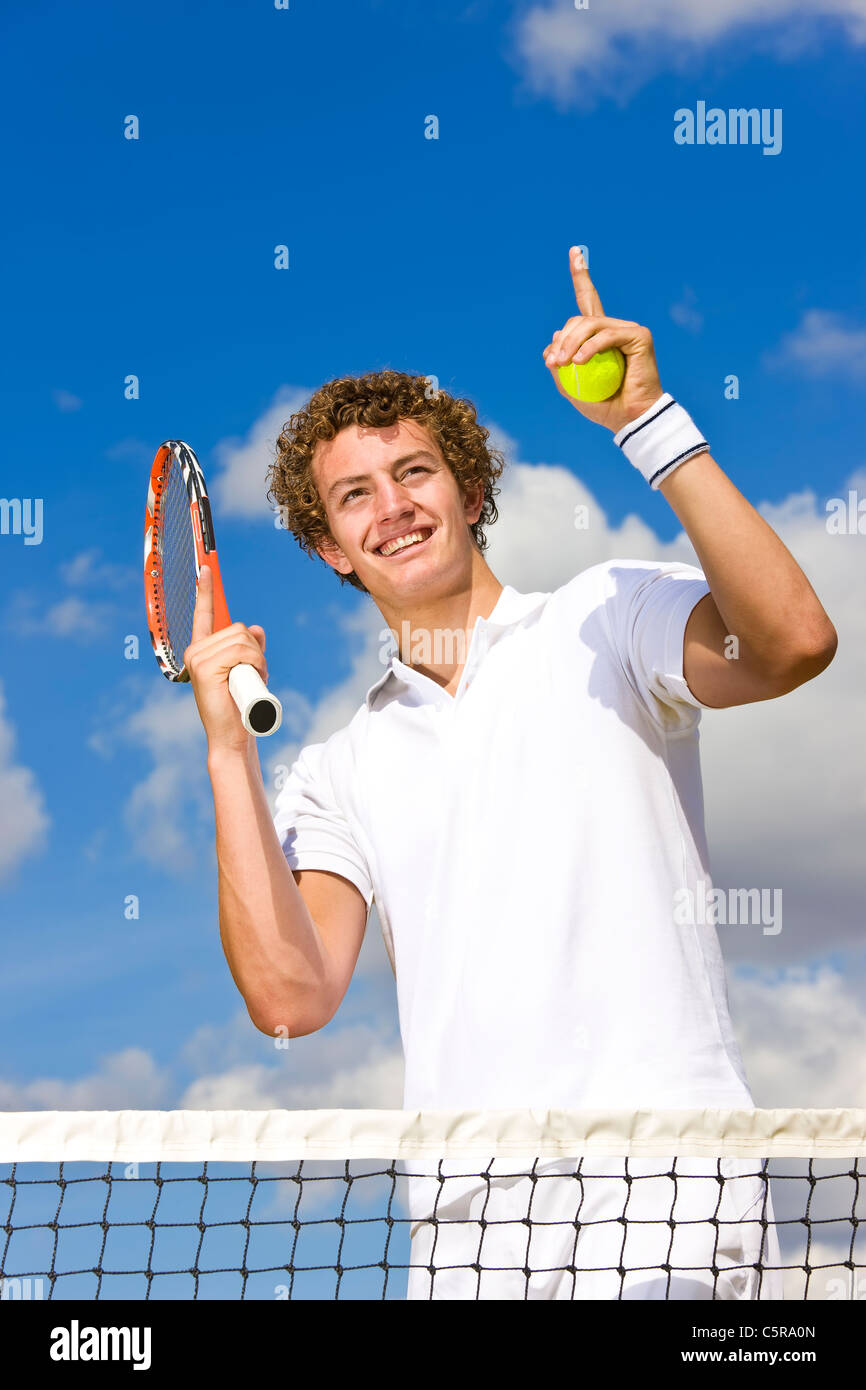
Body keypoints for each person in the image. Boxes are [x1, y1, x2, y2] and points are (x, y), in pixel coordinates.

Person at [184, 247, 836, 1299]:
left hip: (668, 1205)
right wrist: (226, 751)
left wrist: (648, 421)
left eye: (412, 473)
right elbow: (289, 999)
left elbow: (793, 643)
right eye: (353, 495)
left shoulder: (610, 614)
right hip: (475, 1243)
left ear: (470, 487)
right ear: (330, 550)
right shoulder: (336, 771)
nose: (389, 506)